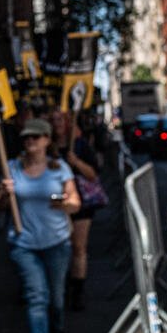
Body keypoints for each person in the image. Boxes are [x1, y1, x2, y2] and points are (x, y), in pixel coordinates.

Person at [0, 118, 80, 333]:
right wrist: (4, 193)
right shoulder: (11, 168)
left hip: (57, 242)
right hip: (24, 244)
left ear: (47, 140)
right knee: (36, 297)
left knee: (56, 296)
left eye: (35, 136)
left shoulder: (60, 168)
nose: (30, 141)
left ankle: (58, 328)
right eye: (26, 137)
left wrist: (64, 203)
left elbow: (75, 203)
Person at [47, 109, 101, 311]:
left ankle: (77, 291)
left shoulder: (80, 145)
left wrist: (75, 162)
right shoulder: (46, 149)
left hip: (81, 204)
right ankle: (59, 288)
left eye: (60, 119)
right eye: (53, 119)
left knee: (78, 247)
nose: (57, 123)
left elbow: (93, 174)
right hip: (54, 204)